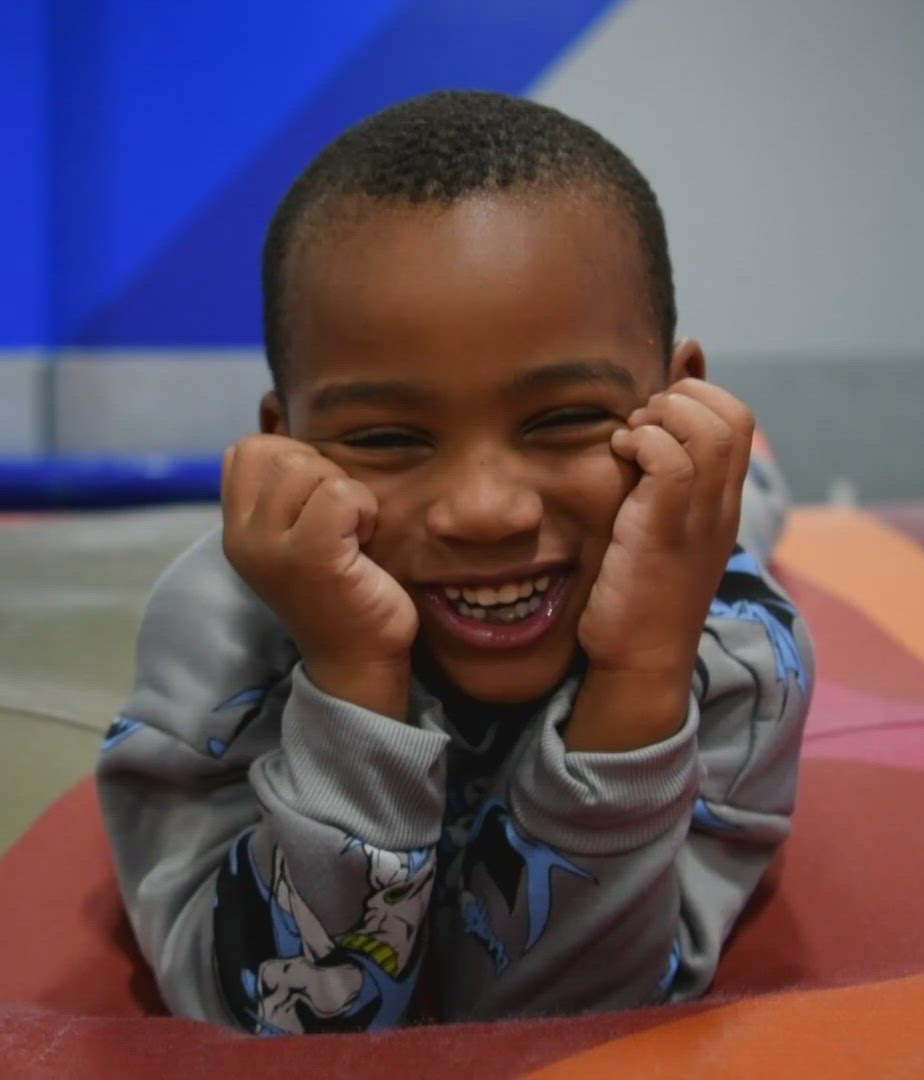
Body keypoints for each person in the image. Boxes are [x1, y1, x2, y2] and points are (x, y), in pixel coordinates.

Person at [97, 90, 811, 1035]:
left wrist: (642, 676)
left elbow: (562, 1029)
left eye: (565, 418)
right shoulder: (225, 635)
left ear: (673, 394)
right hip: (568, 537)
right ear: (289, 441)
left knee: (732, 509)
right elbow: (276, 1026)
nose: (485, 510)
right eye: (389, 437)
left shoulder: (731, 653)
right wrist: (354, 683)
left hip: (644, 541)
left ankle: (738, 470)